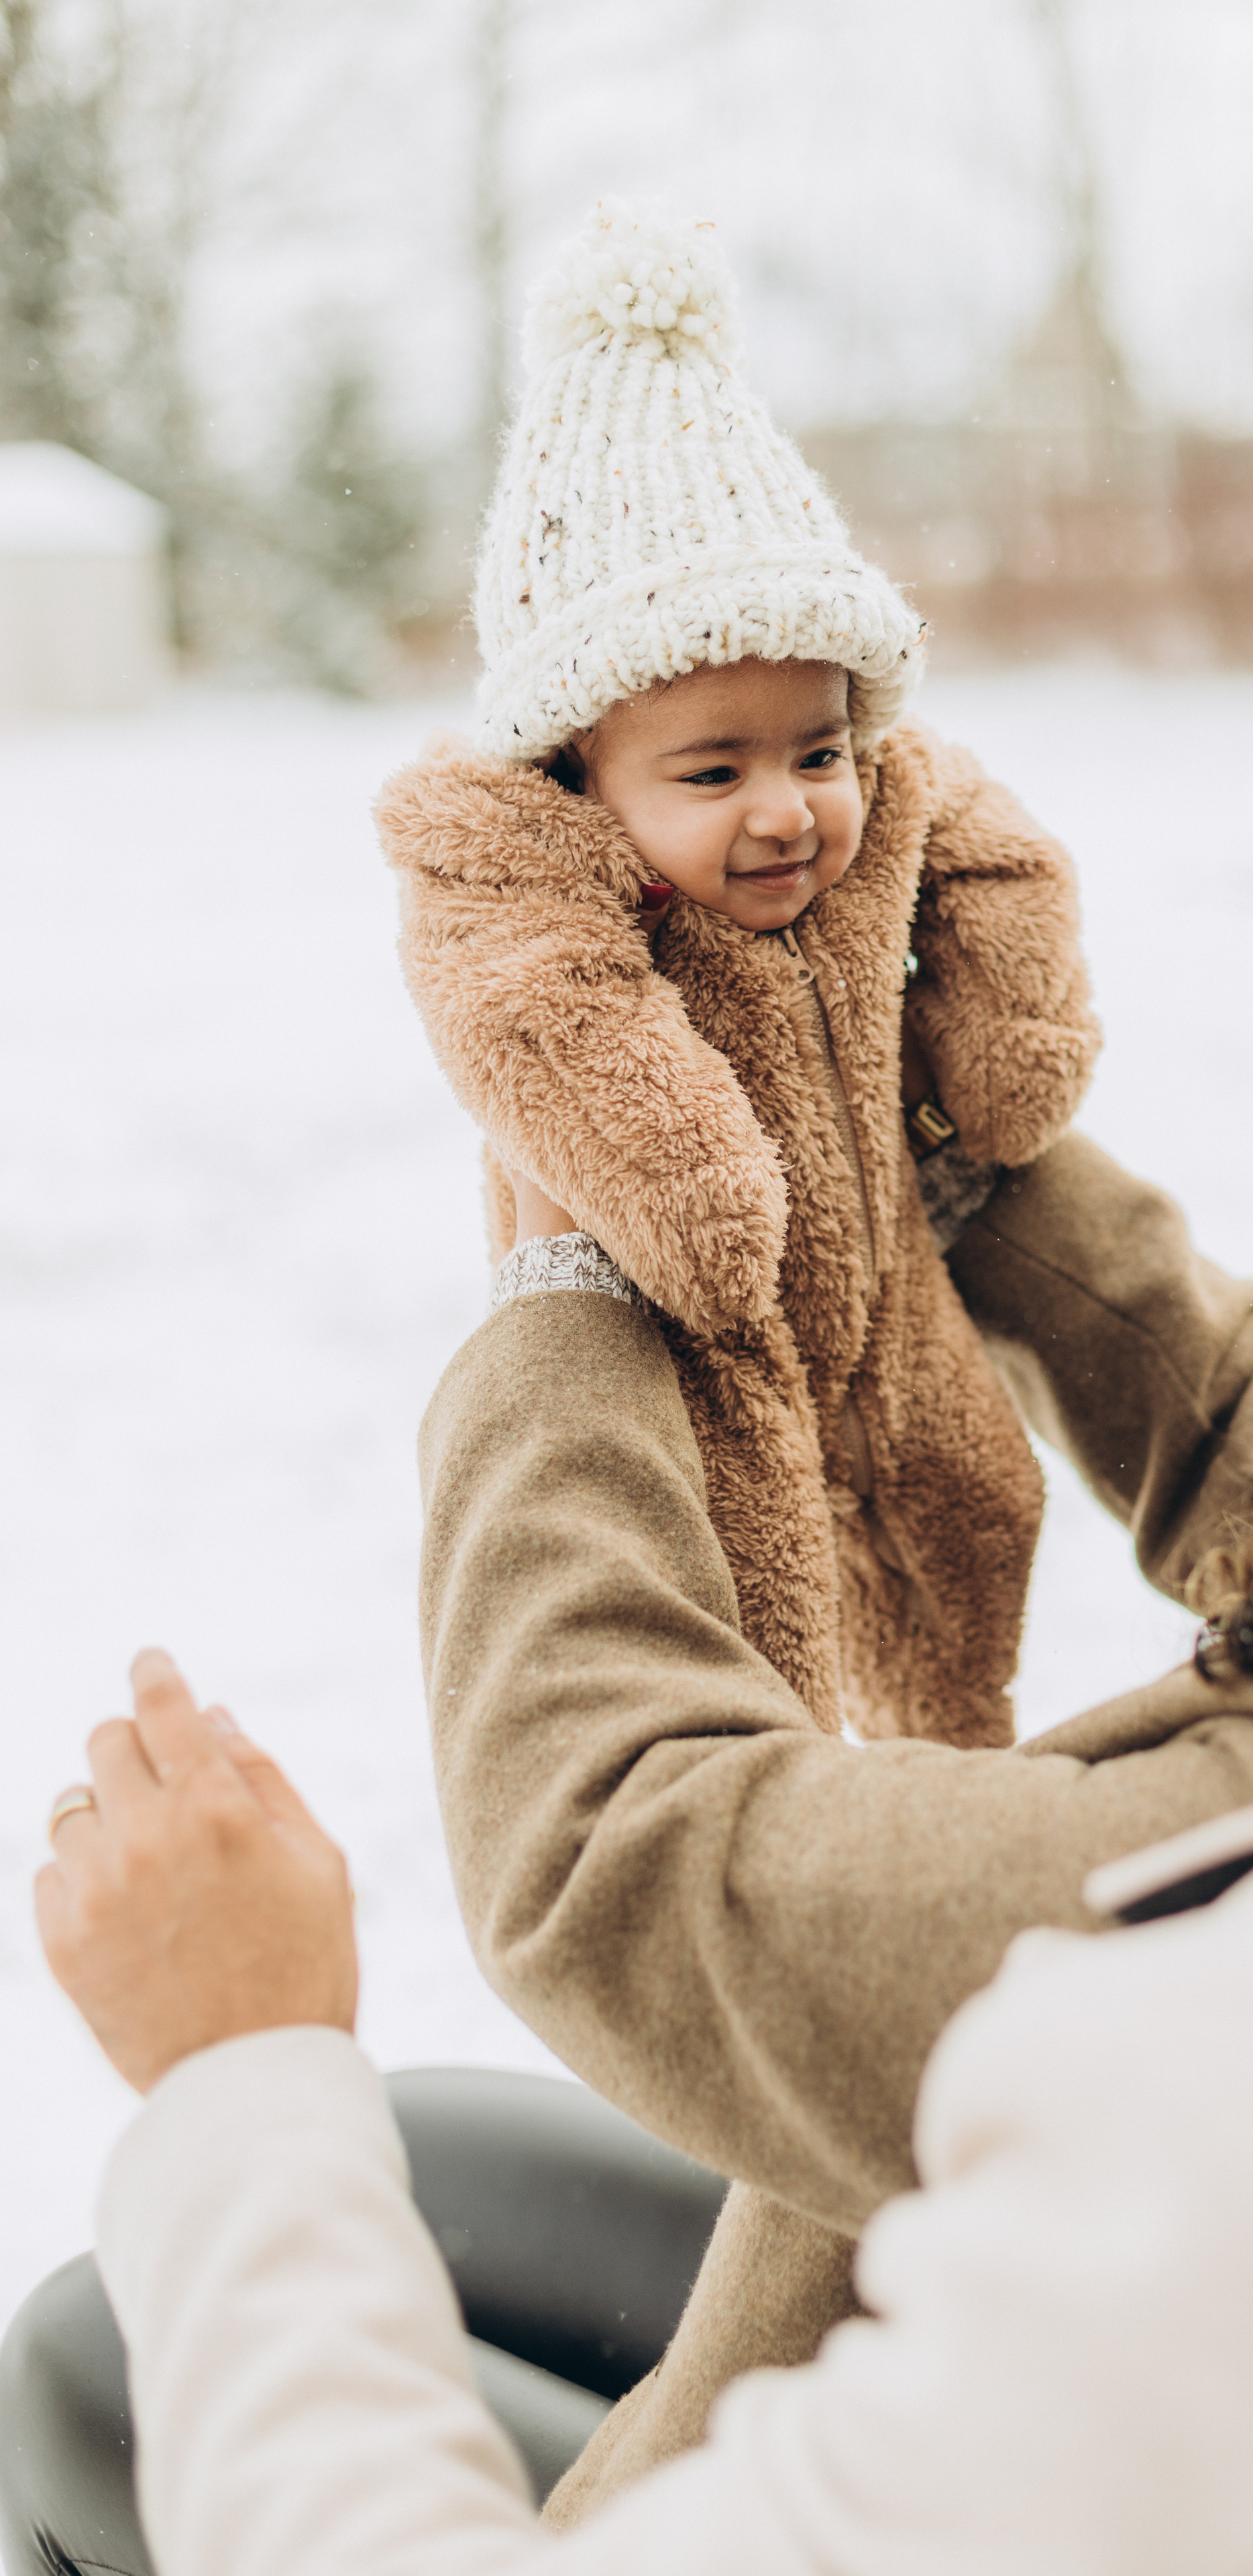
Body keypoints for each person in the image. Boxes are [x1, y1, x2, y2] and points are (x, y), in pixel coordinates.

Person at [31, 610, 1253, 2576]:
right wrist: (921, 1151)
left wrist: (240, 2070)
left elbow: (640, 1865)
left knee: (111, 2353)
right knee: (410, 2165)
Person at [374, 197, 1101, 1752]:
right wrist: (688, 1181)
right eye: (712, 773)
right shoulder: (522, 881)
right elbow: (526, 1001)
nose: (787, 809)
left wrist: (999, 1032)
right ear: (579, 772)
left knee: (963, 1575)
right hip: (678, 1379)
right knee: (732, 1686)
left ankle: (935, 1786)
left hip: (894, 1327)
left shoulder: (889, 805)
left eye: (817, 750)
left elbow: (1003, 859)